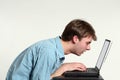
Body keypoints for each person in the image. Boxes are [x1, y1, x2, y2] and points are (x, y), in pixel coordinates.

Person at [6, 19, 97, 80]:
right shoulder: (49, 51)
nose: (89, 48)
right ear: (75, 39)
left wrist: (64, 67)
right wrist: (63, 68)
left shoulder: (53, 48)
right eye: (87, 43)